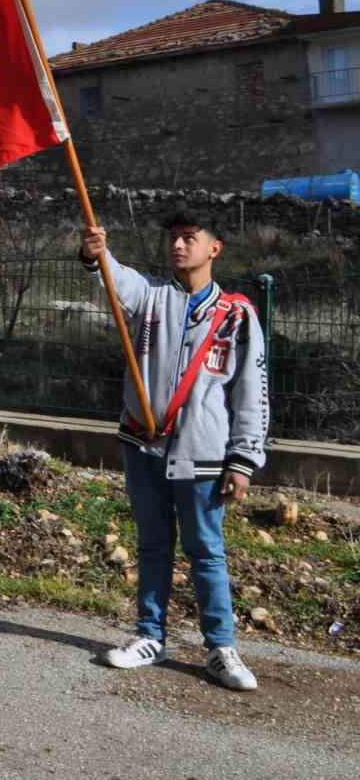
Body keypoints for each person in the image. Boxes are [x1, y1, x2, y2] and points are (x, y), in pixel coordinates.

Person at [83, 212, 266, 692]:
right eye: (174, 239)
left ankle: (221, 648)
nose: (179, 247)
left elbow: (251, 390)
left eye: (190, 238)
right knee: (152, 544)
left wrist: (244, 458)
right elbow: (118, 280)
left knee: (206, 551)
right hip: (143, 447)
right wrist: (97, 251)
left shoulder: (237, 315)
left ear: (214, 248)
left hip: (203, 456)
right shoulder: (153, 299)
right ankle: (149, 635)